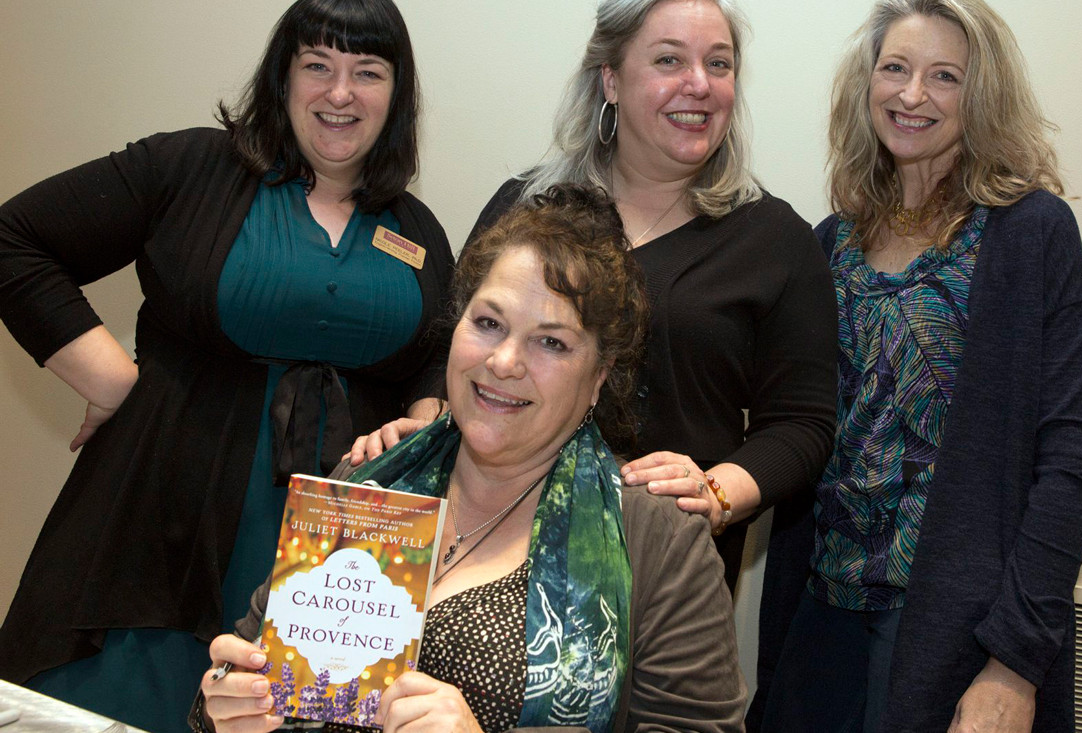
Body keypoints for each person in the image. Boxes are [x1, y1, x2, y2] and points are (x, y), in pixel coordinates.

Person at [0, 0, 453, 730]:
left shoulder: (415, 229)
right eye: (318, 66)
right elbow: (15, 238)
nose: (341, 93)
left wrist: (424, 422)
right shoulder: (192, 169)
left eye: (367, 72)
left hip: (331, 574)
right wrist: (109, 378)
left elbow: (440, 344)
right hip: (161, 528)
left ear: (396, 97)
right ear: (282, 77)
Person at [194, 185, 747, 733]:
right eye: (488, 323)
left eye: (551, 342)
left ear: (600, 377)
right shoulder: (369, 480)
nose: (504, 361)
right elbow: (241, 664)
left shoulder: (656, 538)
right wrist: (223, 705)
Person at [356, 0, 837, 607]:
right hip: (483, 553)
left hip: (654, 575)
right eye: (670, 59)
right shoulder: (526, 207)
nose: (699, 83)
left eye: (719, 64)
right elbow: (450, 345)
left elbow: (803, 424)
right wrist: (423, 432)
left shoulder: (775, 241)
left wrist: (715, 494)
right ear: (610, 78)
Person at [753, 0, 1082, 730]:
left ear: (983, 96)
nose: (913, 95)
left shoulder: (1032, 233)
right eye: (896, 69)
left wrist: (1014, 660)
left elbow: (1072, 457)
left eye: (945, 76)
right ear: (868, 85)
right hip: (820, 615)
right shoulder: (828, 243)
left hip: (957, 633)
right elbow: (802, 431)